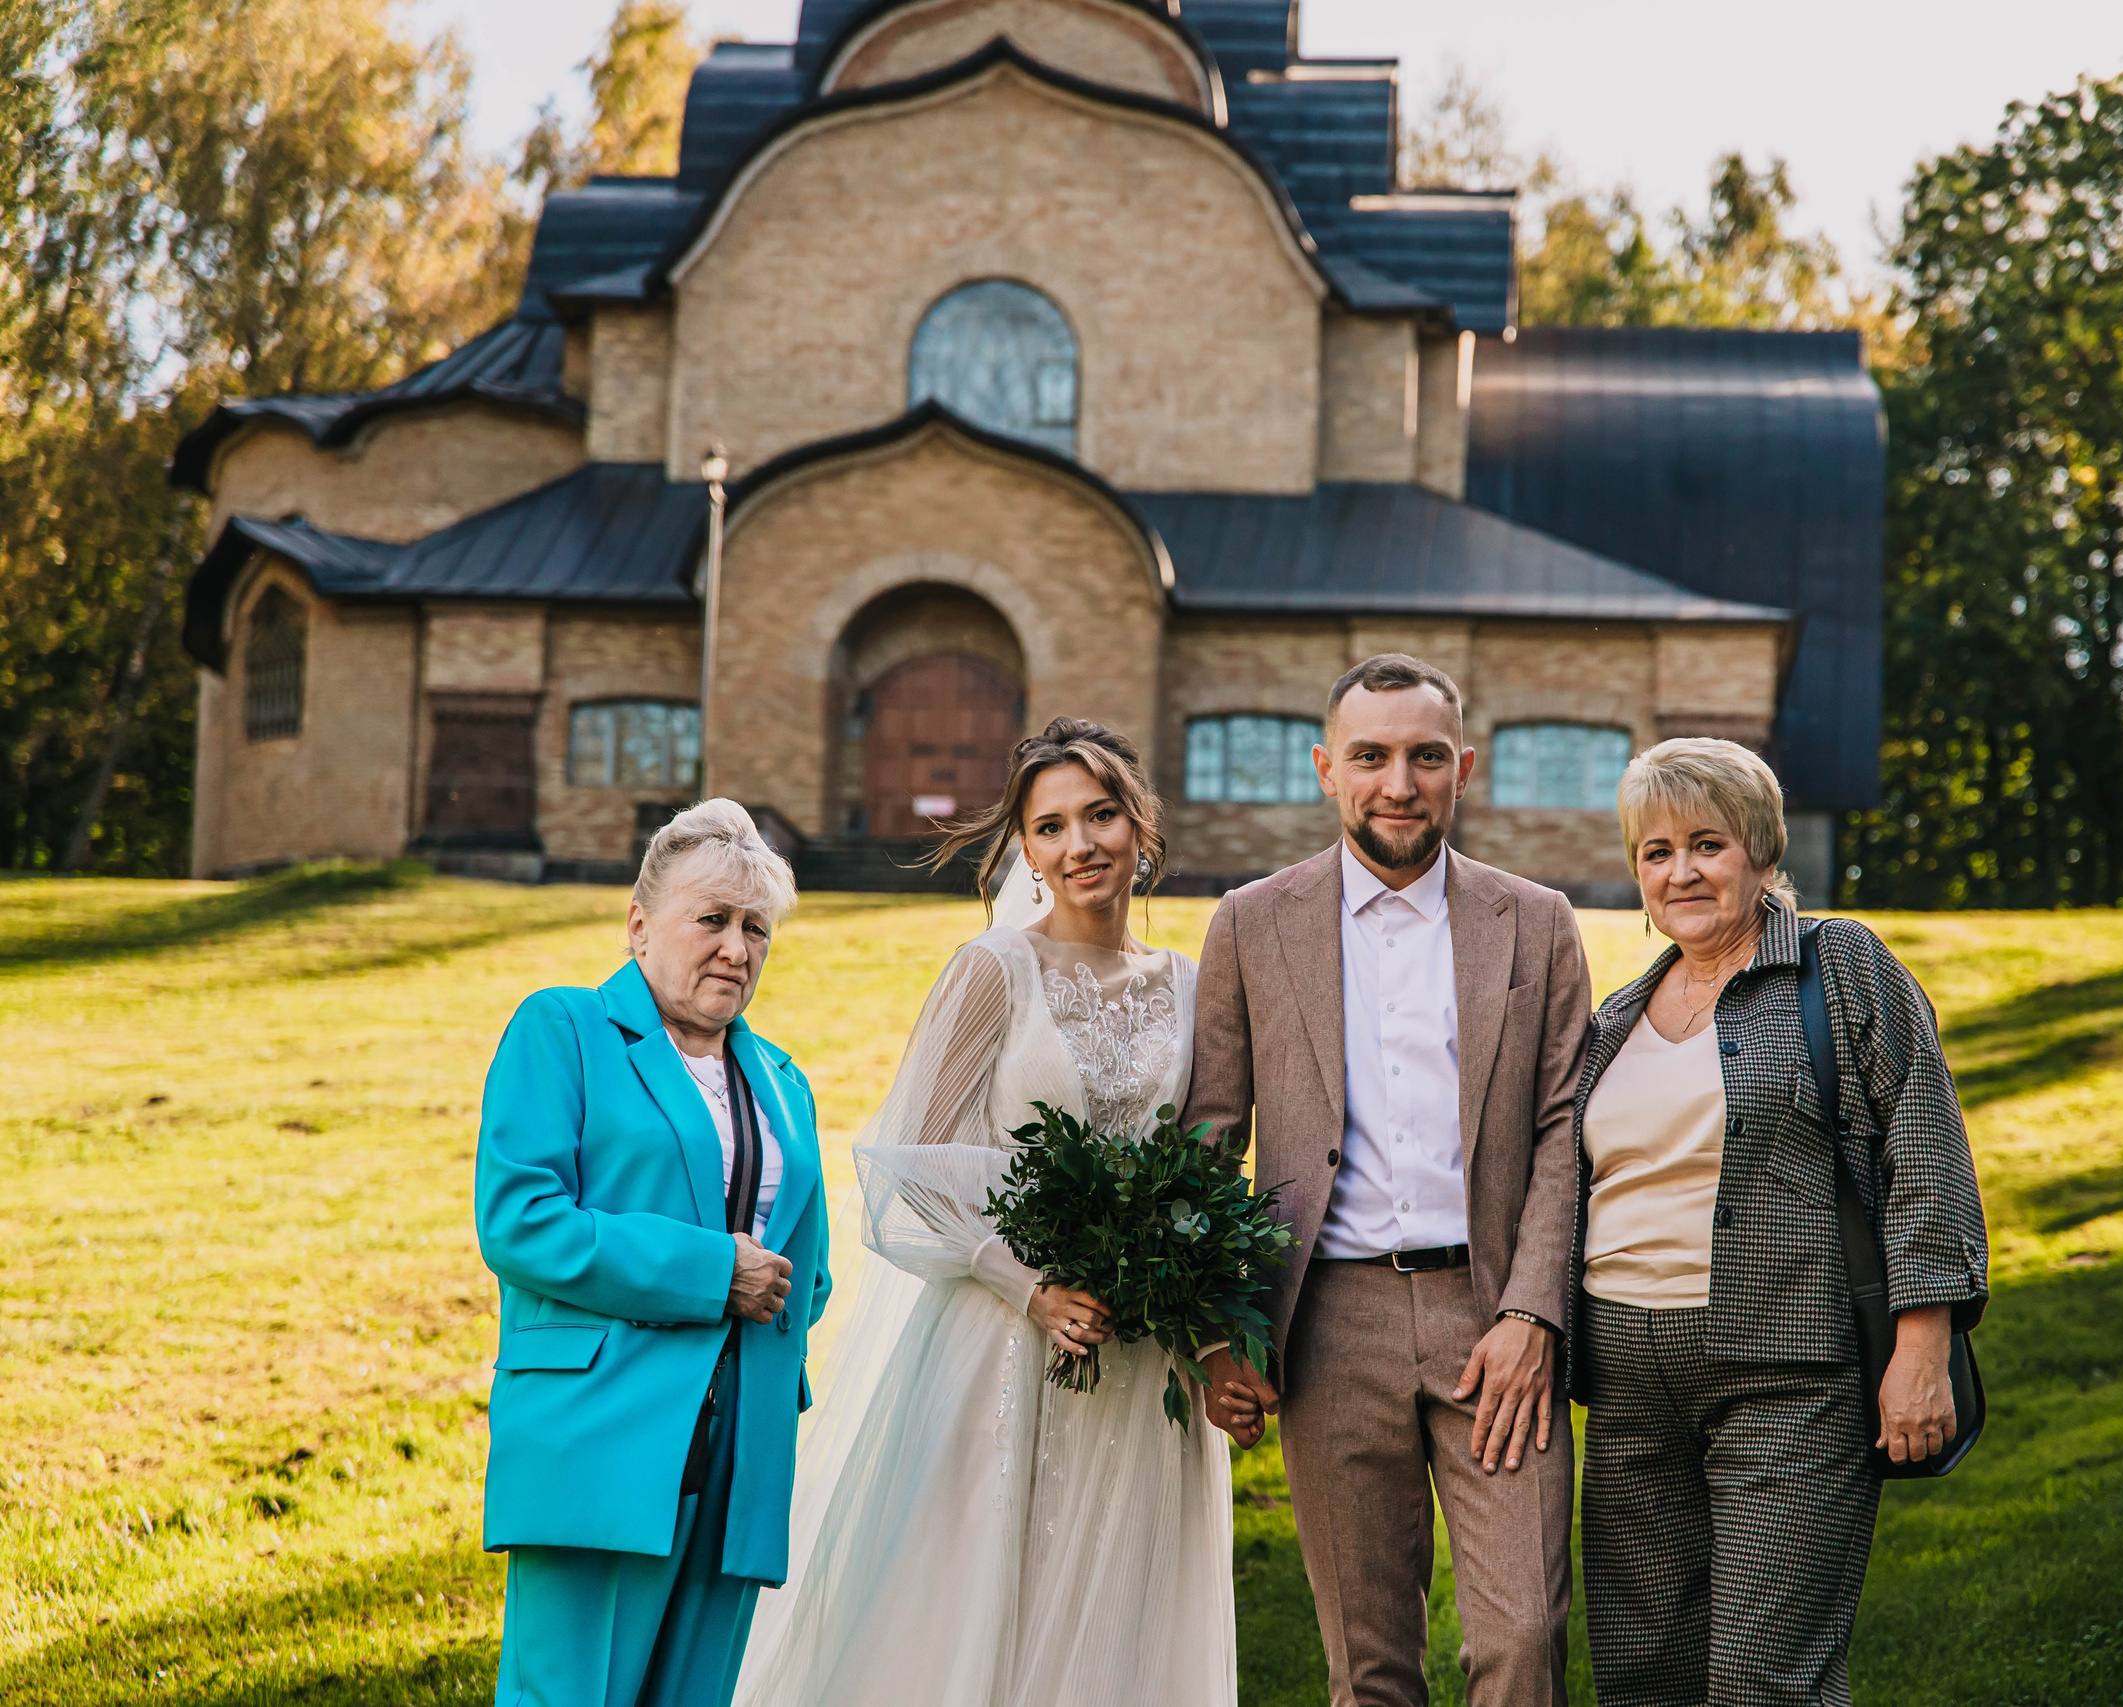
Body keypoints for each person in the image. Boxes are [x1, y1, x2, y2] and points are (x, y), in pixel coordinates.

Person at [733, 716, 1233, 1707]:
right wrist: (1031, 1287)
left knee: (1120, 1606)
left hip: (1143, 1357)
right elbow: (905, 1169)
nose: (1079, 843)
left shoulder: (1190, 987)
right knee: (975, 1608)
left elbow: (1201, 1171)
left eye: (1100, 815)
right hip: (1005, 1339)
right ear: (1028, 851)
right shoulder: (992, 971)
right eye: (1050, 827)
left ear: (1141, 824)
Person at [1185, 654, 1593, 1707]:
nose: (1397, 784)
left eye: (1422, 757)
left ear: (1464, 768)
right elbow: (1209, 1141)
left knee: (1522, 1641)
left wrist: (1534, 1311)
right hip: (1328, 1326)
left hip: (1494, 1319)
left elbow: (1563, 1131)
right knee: (1367, 1671)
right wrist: (1219, 1332)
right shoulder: (1250, 923)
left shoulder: (1537, 923)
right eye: (1369, 757)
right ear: (1327, 768)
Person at [1571, 739, 1988, 1706]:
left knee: (1767, 1682)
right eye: (1656, 851)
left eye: (1707, 844)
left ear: (1761, 852)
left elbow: (1924, 1151)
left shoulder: (1835, 966)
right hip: (1630, 1388)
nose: (1681, 871)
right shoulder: (1618, 1017)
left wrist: (1921, 1346)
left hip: (1791, 1378)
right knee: (1643, 1677)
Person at [476, 799, 831, 1707]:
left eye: (756, 927)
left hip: (741, 1454)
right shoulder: (564, 1030)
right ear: (640, 925)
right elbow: (522, 1221)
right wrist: (713, 1273)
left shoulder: (785, 1081)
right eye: (711, 918)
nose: (736, 948)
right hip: (601, 1433)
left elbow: (808, 1272)